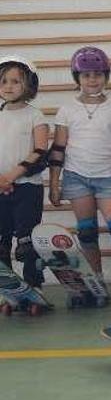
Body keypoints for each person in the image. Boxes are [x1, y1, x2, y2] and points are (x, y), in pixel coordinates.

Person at [47, 46, 111, 302]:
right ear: (77, 78)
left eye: (98, 74)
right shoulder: (66, 109)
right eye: (86, 75)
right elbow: (58, 149)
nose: (92, 79)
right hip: (76, 177)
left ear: (106, 76)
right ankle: (95, 283)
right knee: (86, 232)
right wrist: (54, 184)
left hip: (109, 177)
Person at [0, 55, 48, 289]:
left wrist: (12, 175)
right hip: (1, 188)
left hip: (28, 188)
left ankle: (33, 285)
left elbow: (40, 152)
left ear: (28, 84)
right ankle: (7, 289)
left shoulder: (34, 115)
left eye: (15, 81)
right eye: (4, 81)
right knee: (2, 242)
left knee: (27, 242)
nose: (8, 86)